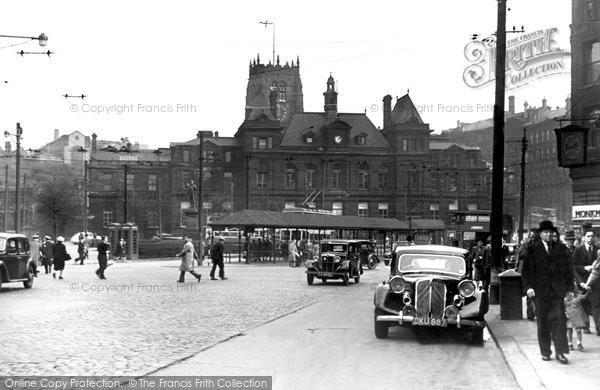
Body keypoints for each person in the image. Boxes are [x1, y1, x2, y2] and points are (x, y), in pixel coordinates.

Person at [521, 220, 574, 364]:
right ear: (541, 234)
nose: (549, 234)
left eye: (551, 232)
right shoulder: (532, 250)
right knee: (543, 323)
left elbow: (569, 270)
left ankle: (561, 352)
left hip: (557, 293)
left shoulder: (561, 249)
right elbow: (526, 271)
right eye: (545, 232)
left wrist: (570, 289)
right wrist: (529, 288)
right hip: (540, 293)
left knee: (559, 322)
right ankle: (545, 352)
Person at [572, 229, 598, 334]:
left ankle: (598, 327)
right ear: (584, 237)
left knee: (596, 305)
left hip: (596, 283)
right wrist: (584, 268)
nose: (590, 238)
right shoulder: (578, 250)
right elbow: (573, 266)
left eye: (592, 236)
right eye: (588, 236)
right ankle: (586, 327)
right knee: (584, 305)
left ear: (595, 237)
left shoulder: (598, 250)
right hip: (582, 282)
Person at [566, 283, 587, 351]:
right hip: (569, 316)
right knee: (569, 331)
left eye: (574, 287)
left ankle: (579, 343)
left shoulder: (578, 295)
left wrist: (588, 291)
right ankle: (570, 343)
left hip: (577, 315)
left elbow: (585, 297)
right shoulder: (565, 297)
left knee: (578, 330)